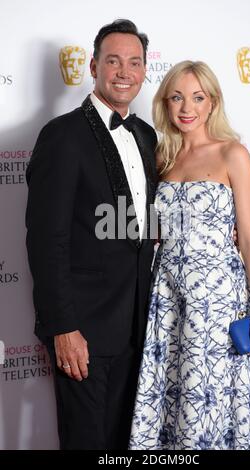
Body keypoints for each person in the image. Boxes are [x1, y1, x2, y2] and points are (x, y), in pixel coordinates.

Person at [129, 60, 250, 450]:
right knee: (179, 392)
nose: (187, 107)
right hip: (168, 297)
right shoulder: (161, 159)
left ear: (212, 102)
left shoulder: (232, 153)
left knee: (216, 396)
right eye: (177, 97)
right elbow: (150, 230)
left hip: (219, 300)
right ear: (165, 103)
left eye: (198, 97)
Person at [25, 19, 158, 450]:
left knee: (127, 444)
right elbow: (46, 240)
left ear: (144, 69)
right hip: (83, 330)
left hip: (139, 325)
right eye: (113, 61)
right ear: (93, 66)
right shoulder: (61, 136)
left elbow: (153, 220)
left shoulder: (146, 135)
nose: (124, 71)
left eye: (134, 62)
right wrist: (63, 326)